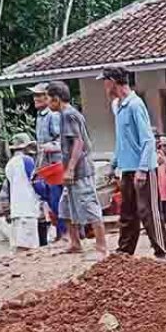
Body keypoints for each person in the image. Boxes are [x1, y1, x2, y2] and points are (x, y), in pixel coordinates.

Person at [97, 66, 166, 261]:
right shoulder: (117, 106)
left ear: (112, 82)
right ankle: (124, 251)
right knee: (127, 212)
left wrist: (142, 169)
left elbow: (147, 140)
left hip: (143, 168)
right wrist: (115, 164)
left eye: (105, 81)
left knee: (148, 211)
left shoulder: (135, 105)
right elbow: (123, 139)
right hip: (127, 167)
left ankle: (163, 251)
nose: (104, 86)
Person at [47, 81, 108, 258]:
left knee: (89, 206)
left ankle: (101, 247)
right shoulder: (65, 116)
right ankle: (75, 242)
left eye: (50, 99)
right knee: (64, 207)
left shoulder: (69, 115)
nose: (48, 103)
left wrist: (71, 169)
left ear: (56, 99)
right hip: (71, 171)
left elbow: (79, 142)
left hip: (80, 171)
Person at [30, 82, 65, 241]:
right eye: (34, 95)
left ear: (47, 97)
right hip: (46, 165)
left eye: (38, 95)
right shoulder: (40, 116)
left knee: (58, 200)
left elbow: (62, 140)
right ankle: (60, 232)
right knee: (50, 200)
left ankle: (65, 233)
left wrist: (48, 147)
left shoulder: (53, 115)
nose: (35, 98)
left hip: (56, 165)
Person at [0, 133, 43, 251]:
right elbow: (36, 182)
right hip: (28, 209)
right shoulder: (27, 161)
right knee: (28, 247)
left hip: (16, 210)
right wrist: (45, 195)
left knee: (18, 246)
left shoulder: (10, 164)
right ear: (26, 147)